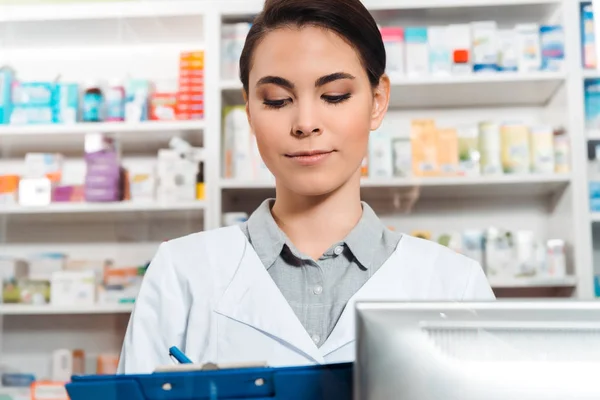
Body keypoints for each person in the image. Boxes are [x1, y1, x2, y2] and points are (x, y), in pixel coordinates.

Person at [117, 0, 495, 374]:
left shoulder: (453, 285)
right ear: (249, 110)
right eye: (278, 101)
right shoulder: (182, 273)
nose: (306, 123)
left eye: (334, 96)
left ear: (377, 102)